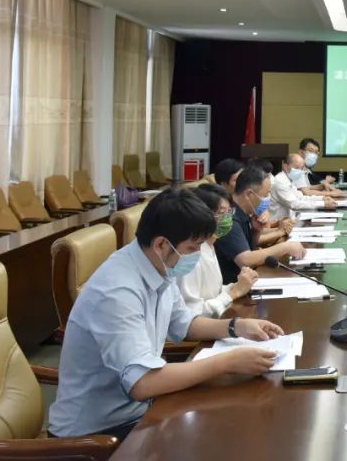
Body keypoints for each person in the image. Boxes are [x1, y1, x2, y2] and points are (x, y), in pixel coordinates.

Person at [48, 188, 284, 440]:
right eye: (193, 247)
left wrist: (237, 326)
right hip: (96, 436)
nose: (197, 255)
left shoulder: (157, 265)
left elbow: (185, 323)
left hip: (140, 412)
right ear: (161, 244)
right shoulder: (117, 291)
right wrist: (227, 363)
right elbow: (143, 383)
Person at [179, 184, 259, 316]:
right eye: (222, 213)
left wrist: (239, 284)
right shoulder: (190, 254)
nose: (228, 218)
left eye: (230, 212)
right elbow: (192, 315)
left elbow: (213, 292)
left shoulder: (210, 245)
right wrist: (235, 292)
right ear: (202, 215)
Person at [216, 165, 306, 281]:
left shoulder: (244, 212)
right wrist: (285, 247)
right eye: (265, 195)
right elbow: (245, 260)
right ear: (249, 194)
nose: (267, 199)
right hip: (234, 285)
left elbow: (248, 247)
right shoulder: (229, 217)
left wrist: (256, 231)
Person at [271, 153, 336, 219]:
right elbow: (294, 204)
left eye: (302, 168)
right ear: (285, 166)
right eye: (297, 168)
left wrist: (322, 198)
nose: (300, 171)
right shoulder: (280, 181)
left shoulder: (290, 179)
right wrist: (323, 204)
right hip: (277, 223)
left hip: (289, 220)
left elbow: (300, 198)